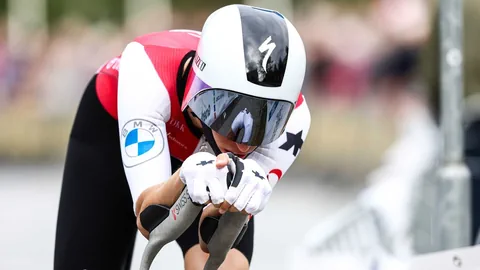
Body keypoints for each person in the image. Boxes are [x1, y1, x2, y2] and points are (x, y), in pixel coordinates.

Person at [54, 4, 311, 270]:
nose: (244, 144)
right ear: (200, 88)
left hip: (203, 153)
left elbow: (211, 239)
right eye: (233, 116)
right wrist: (182, 177)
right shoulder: (146, 69)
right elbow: (149, 219)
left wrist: (232, 206)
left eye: (267, 123)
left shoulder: (297, 119)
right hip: (109, 129)